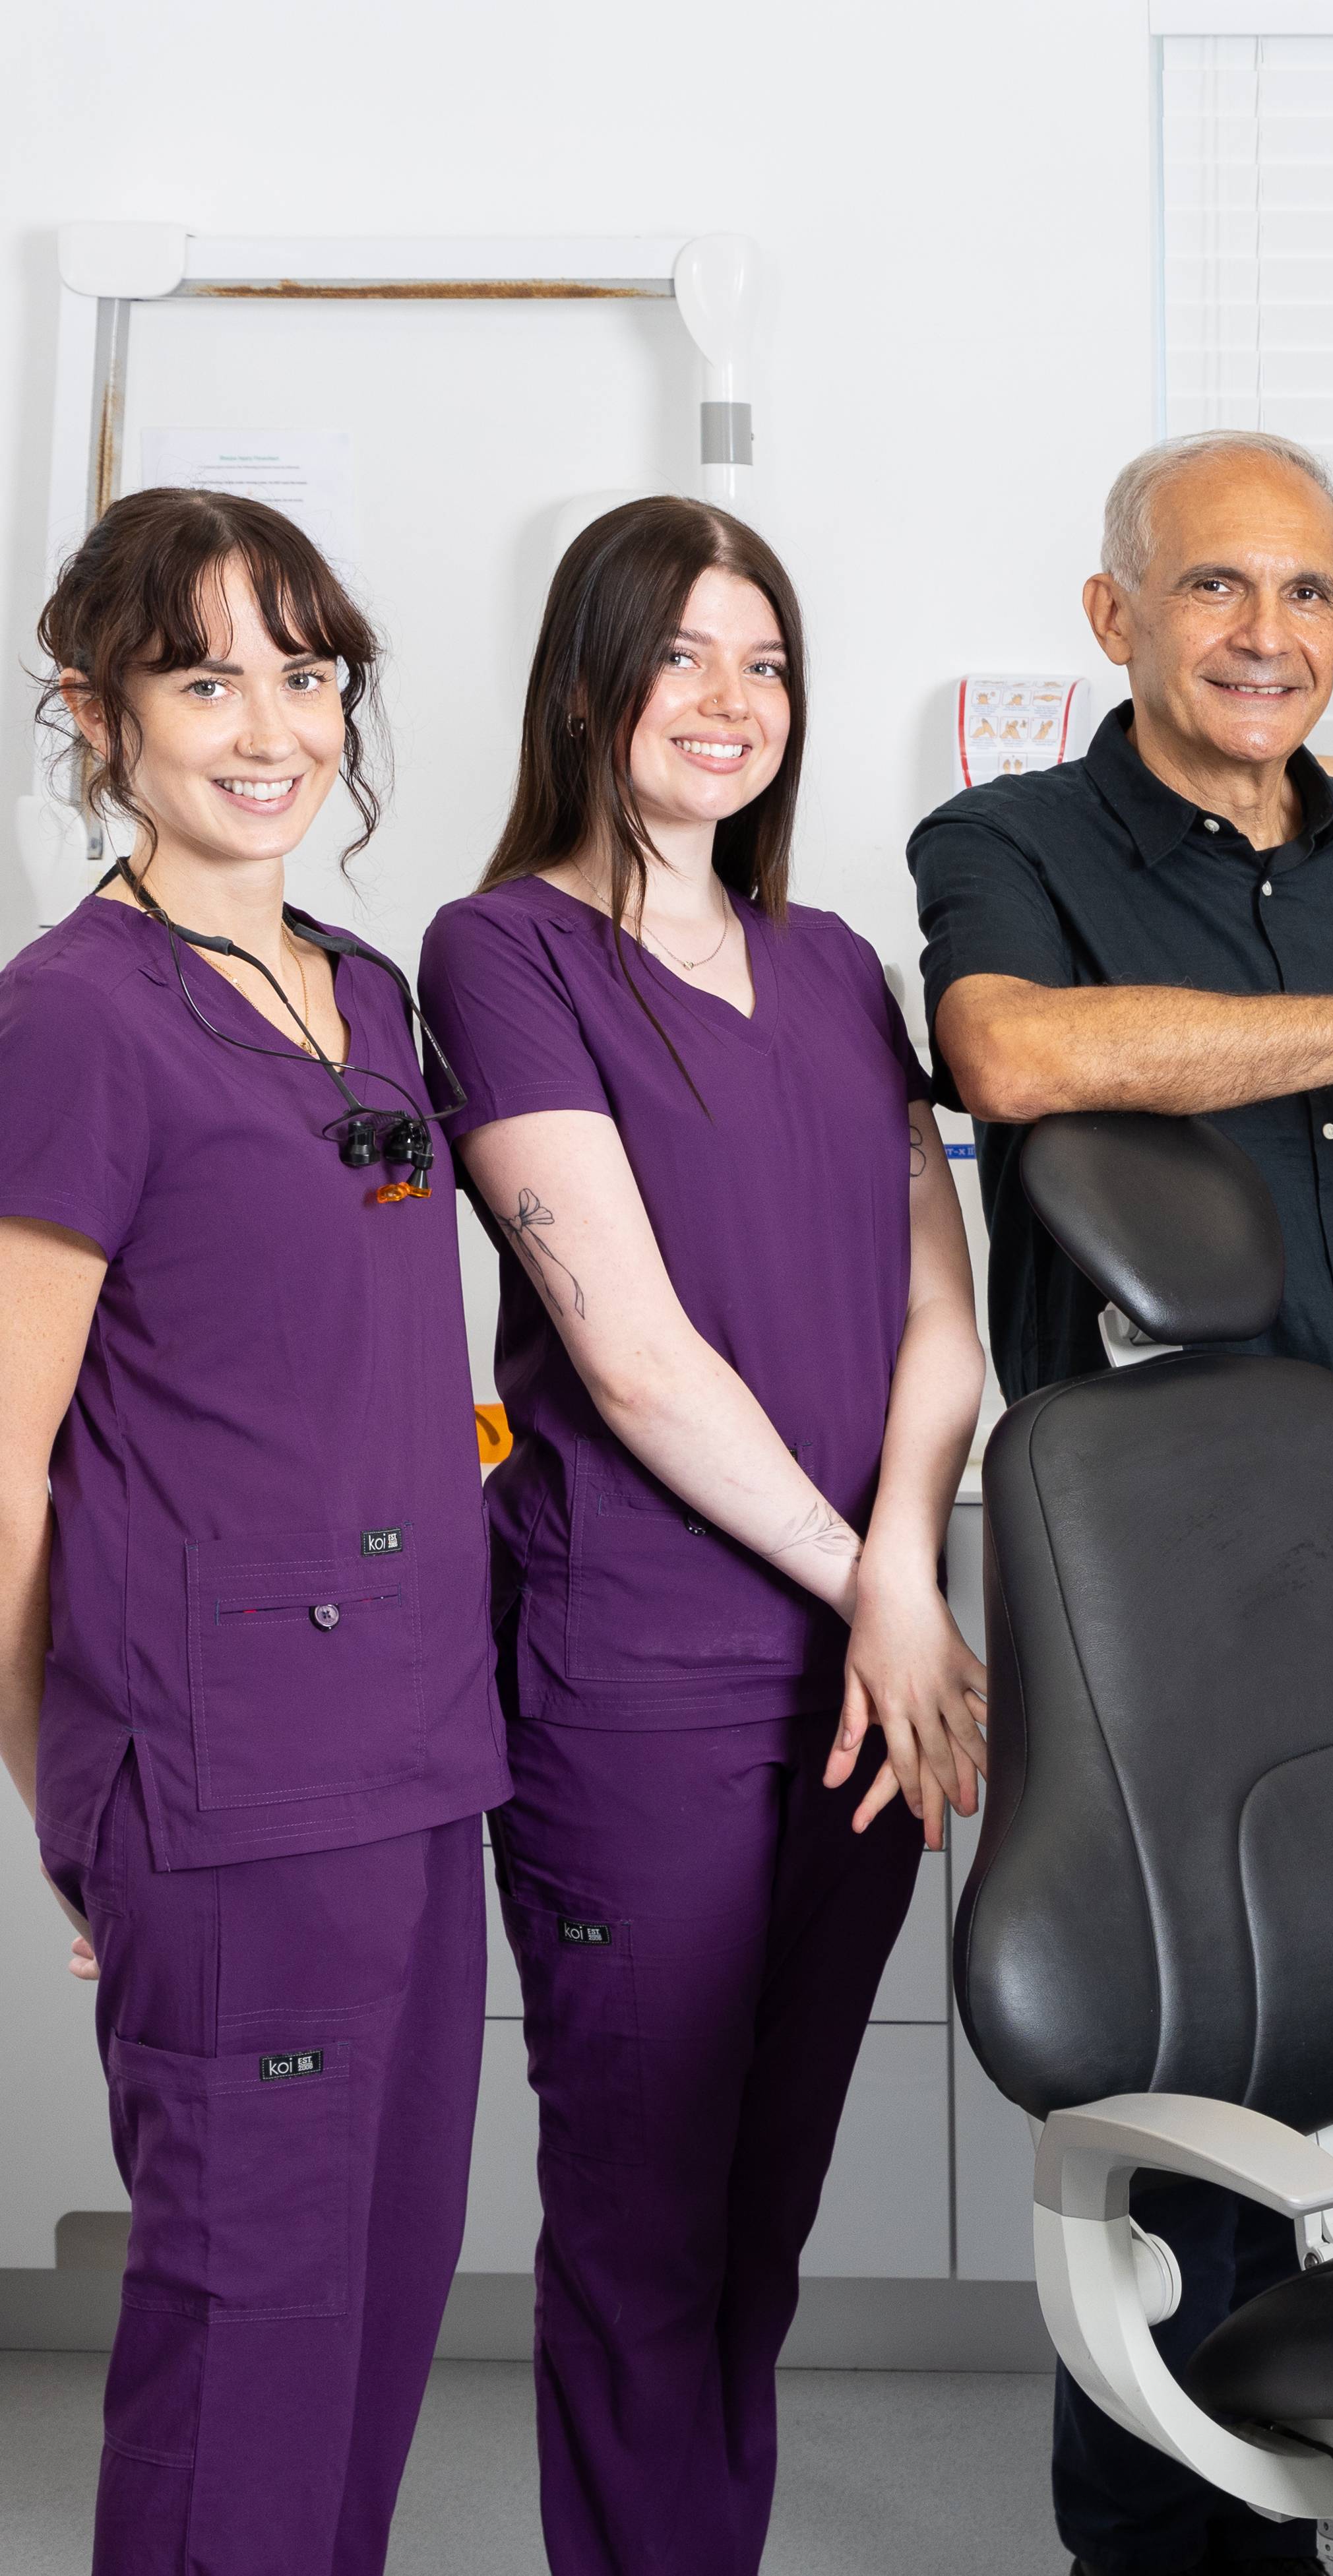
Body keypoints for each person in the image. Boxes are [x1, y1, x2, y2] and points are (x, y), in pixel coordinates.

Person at [910, 426, 1333, 2576]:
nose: (1261, 632)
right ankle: (1168, 2547)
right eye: (1212, 587)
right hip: (1174, 1591)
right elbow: (1010, 1056)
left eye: (1304, 595)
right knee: (1192, 2110)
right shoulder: (1005, 840)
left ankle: (1316, 2513)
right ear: (1112, 613)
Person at [417, 494, 987, 2572]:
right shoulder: (501, 953)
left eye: (762, 660)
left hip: (868, 1675)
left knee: (767, 2213)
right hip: (638, 1675)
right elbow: (631, 1353)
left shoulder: (840, 969)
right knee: (647, 2215)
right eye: (680, 654)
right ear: (591, 680)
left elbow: (950, 1309)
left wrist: (902, 1577)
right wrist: (870, 1586)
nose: (726, 700)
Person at [0, 489, 507, 2573]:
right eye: (206, 674)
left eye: (307, 673)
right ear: (95, 711)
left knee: (381, 2304)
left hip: (415, 1755)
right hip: (217, 1782)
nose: (271, 725)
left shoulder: (368, 995)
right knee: (249, 2323)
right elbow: (3, 1454)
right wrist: (72, 1801)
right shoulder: (74, 1016)